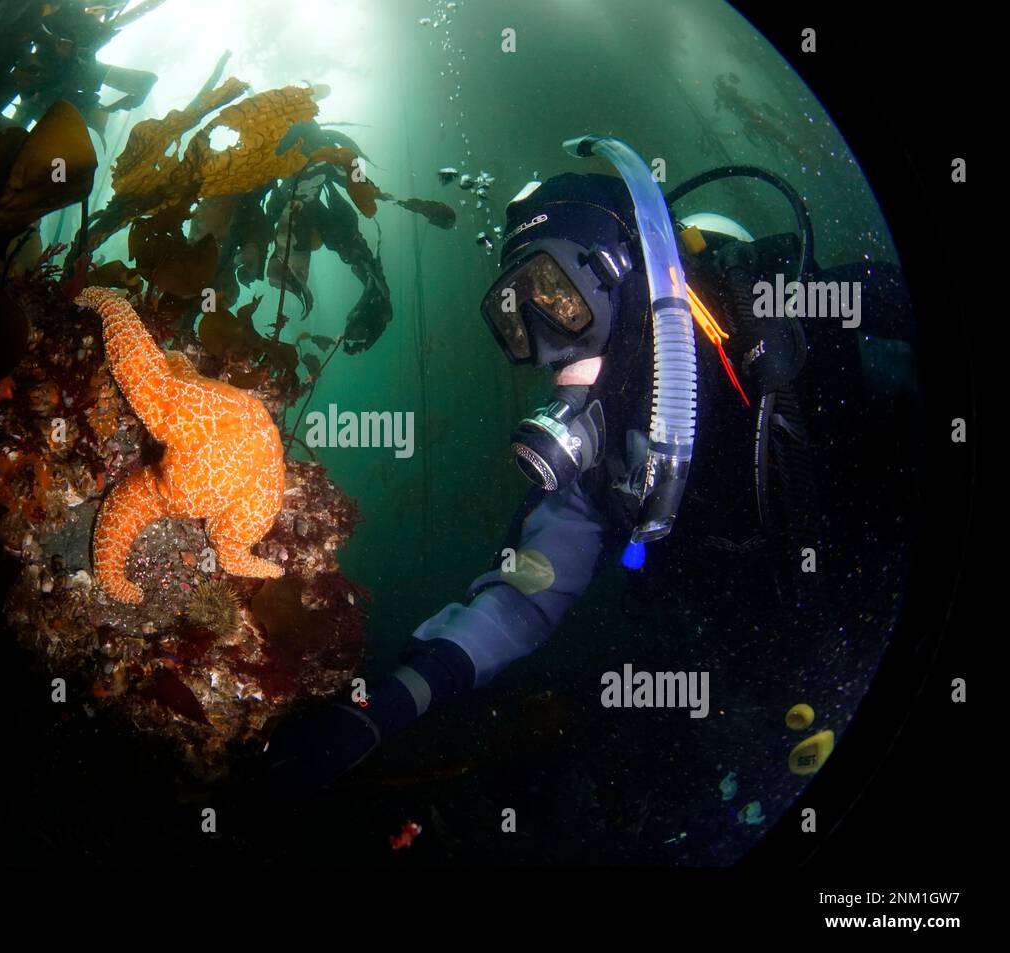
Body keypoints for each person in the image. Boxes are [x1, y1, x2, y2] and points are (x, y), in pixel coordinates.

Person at [262, 136, 915, 790]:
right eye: (517, 321)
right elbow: (526, 594)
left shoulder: (769, 299)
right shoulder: (597, 465)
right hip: (777, 645)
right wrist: (386, 706)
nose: (545, 341)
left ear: (619, 267)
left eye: (555, 295)